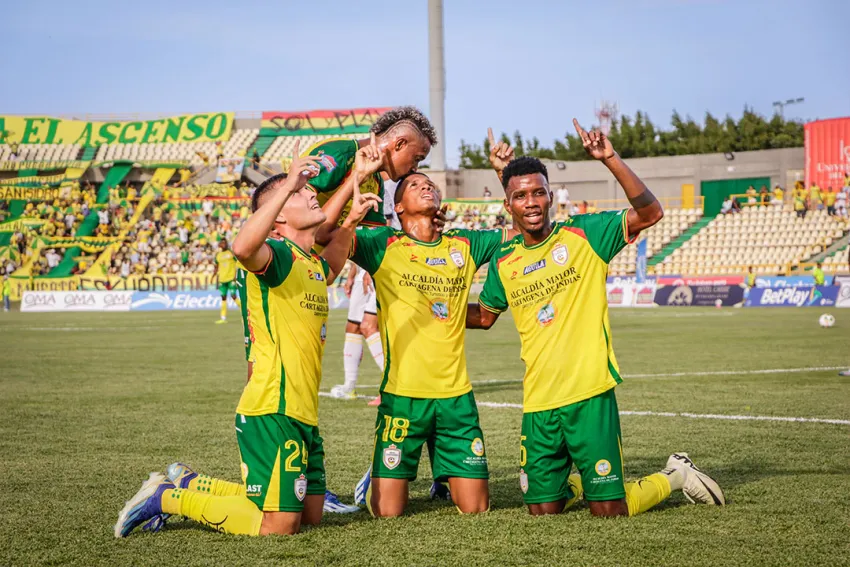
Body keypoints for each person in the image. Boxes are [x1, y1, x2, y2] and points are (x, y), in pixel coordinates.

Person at [115, 148, 379, 538]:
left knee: (311, 515)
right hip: (273, 406)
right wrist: (288, 181)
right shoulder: (273, 257)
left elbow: (334, 260)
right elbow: (241, 248)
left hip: (303, 410)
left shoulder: (308, 263)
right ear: (278, 216)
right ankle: (168, 498)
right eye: (301, 194)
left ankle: (189, 482)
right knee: (280, 526)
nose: (312, 195)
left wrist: (352, 219)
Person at [467, 119, 724, 518]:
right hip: (538, 401)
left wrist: (610, 158)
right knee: (543, 511)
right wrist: (423, 302)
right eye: (521, 196)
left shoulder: (586, 235)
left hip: (589, 394)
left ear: (551, 197)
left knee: (609, 511)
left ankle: (675, 475)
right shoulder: (504, 260)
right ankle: (575, 482)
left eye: (539, 193)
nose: (531, 202)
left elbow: (651, 212)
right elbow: (484, 317)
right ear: (508, 205)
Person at [321, 130, 516, 518]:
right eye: (415, 183)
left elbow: (524, 233)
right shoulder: (383, 244)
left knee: (476, 509)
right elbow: (325, 237)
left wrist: (505, 174)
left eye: (430, 184)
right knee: (387, 514)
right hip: (403, 398)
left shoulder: (464, 243)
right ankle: (374, 479)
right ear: (399, 205)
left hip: (456, 398)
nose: (426, 185)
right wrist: (355, 185)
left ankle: (440, 475)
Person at [212, 239, 241, 324]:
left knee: (233, 296)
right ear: (219, 245)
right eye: (222, 243)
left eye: (224, 243)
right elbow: (216, 267)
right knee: (223, 298)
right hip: (222, 279)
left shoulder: (231, 253)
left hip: (231, 278)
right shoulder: (218, 255)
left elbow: (238, 263)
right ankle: (223, 318)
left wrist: (236, 275)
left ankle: (245, 312)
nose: (223, 244)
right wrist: (213, 276)